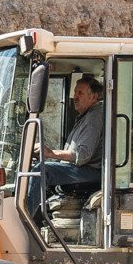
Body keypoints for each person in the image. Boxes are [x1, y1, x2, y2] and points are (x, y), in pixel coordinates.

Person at [33, 72, 106, 215]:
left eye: (80, 93)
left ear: (94, 97)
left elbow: (82, 155)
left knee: (41, 170)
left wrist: (51, 153)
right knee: (36, 168)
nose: (75, 97)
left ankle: (24, 217)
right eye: (75, 92)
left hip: (92, 171)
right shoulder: (86, 116)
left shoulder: (94, 117)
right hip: (84, 169)